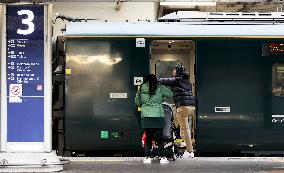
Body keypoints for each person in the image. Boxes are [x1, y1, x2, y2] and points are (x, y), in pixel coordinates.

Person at [158, 65, 196, 158]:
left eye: (174, 71)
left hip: (183, 107)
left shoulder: (177, 80)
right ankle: (184, 142)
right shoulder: (187, 82)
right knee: (184, 127)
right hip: (191, 107)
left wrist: (155, 79)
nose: (173, 72)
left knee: (185, 129)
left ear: (178, 72)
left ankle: (190, 151)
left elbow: (164, 81)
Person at [135, 74, 173, 164]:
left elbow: (137, 101)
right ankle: (162, 157)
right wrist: (161, 99)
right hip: (158, 115)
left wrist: (144, 106)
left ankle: (148, 157)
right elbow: (170, 94)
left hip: (146, 116)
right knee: (159, 138)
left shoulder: (141, 88)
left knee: (148, 137)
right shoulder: (159, 87)